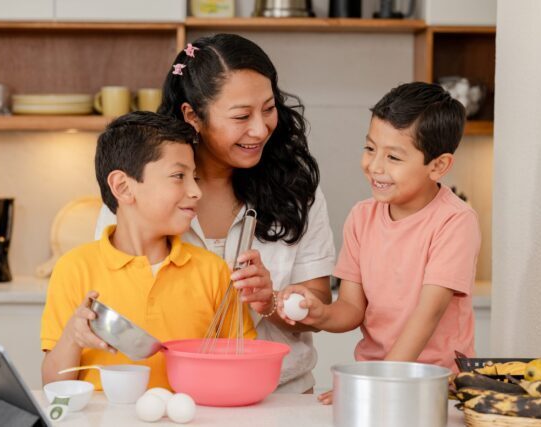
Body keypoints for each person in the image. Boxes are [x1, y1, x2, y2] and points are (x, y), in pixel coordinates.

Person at [95, 34, 336, 393]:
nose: (260, 129)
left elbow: (319, 307)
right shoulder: (140, 189)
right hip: (170, 396)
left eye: (269, 109)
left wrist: (273, 301)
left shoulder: (296, 189)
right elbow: (110, 300)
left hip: (279, 396)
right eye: (241, 116)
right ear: (192, 115)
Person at [277, 82, 481, 404]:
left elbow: (427, 315)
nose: (375, 166)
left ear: (438, 166)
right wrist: (319, 314)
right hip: (377, 380)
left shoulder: (455, 221)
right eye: (370, 148)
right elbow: (351, 309)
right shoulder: (362, 218)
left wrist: (377, 385)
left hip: (437, 387)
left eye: (394, 157)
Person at [41, 112, 256, 390]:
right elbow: (51, 385)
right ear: (123, 187)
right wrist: (72, 337)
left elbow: (243, 369)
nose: (195, 191)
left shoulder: (212, 271)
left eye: (195, 178)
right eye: (179, 176)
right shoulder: (75, 269)